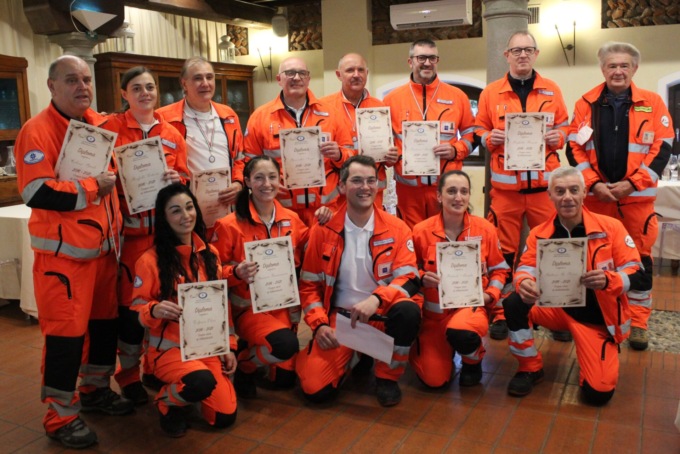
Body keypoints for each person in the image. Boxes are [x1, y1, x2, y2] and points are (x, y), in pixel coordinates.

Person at [15, 55, 132, 449]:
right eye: (71, 80)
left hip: (104, 255)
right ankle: (59, 416)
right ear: (52, 86)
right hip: (64, 262)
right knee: (65, 339)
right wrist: (92, 187)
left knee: (103, 330)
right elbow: (37, 192)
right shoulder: (36, 131)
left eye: (86, 79)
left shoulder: (101, 126)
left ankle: (95, 390)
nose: (82, 86)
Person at [503, 166, 646, 406]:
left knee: (597, 394)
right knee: (514, 302)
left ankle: (591, 357)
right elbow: (525, 267)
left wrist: (609, 280)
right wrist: (523, 281)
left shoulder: (611, 228)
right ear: (550, 196)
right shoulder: (539, 233)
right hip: (554, 309)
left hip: (594, 319)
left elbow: (640, 275)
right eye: (560, 191)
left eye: (573, 190)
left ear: (584, 193)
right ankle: (529, 366)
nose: (567, 197)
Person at [566, 42, 674, 351]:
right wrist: (593, 184)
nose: (618, 71)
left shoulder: (653, 103)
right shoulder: (585, 103)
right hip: (596, 201)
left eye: (624, 65)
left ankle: (638, 322)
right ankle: (590, 314)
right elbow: (573, 147)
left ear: (634, 69)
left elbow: (662, 148)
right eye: (612, 65)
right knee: (592, 258)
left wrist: (632, 184)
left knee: (638, 261)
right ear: (603, 69)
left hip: (636, 203)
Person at [296, 155, 422, 407]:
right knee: (315, 390)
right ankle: (355, 354)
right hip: (341, 320)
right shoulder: (323, 230)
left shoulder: (398, 228)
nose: (365, 187)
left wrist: (376, 299)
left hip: (383, 315)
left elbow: (409, 279)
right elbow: (309, 286)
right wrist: (319, 325)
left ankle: (387, 377)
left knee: (408, 312)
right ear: (342, 186)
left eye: (371, 181)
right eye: (356, 181)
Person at [475, 31, 570, 340]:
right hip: (506, 194)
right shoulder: (491, 93)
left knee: (550, 250)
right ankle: (502, 312)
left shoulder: (551, 89)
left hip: (544, 192)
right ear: (507, 55)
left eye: (528, 49)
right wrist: (488, 138)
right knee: (502, 254)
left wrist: (560, 136)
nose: (522, 55)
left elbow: (565, 125)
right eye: (516, 50)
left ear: (536, 53)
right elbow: (478, 128)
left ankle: (553, 314)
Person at [103, 66, 189, 405]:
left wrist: (177, 179)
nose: (145, 93)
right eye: (136, 88)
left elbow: (185, 179)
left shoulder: (172, 133)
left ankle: (156, 366)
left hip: (164, 239)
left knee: (164, 304)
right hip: (131, 240)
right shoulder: (110, 129)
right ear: (124, 93)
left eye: (150, 87)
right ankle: (127, 376)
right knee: (132, 312)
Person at [131, 183, 238, 437]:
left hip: (205, 348)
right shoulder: (149, 261)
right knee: (201, 381)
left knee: (223, 417)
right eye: (176, 211)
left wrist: (229, 346)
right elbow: (136, 309)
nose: (186, 215)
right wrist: (154, 310)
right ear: (164, 218)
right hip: (169, 352)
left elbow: (221, 307)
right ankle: (166, 402)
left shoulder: (210, 254)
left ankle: (190, 388)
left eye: (189, 207)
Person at [212, 156, 313, 398]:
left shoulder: (293, 219)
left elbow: (311, 248)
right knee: (285, 345)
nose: (266, 184)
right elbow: (212, 273)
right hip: (248, 310)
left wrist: (324, 220)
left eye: (272, 177)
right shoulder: (228, 225)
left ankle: (250, 350)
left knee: (284, 379)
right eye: (259, 178)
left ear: (280, 180)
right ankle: (245, 365)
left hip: (283, 308)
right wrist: (236, 273)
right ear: (247, 181)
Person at [409, 170, 510, 388]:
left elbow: (500, 270)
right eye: (451, 191)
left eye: (464, 191)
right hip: (434, 317)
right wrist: (422, 277)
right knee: (433, 381)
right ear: (439, 196)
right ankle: (432, 349)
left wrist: (490, 295)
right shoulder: (420, 231)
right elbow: (408, 270)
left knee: (462, 332)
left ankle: (472, 360)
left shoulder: (485, 230)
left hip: (470, 310)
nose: (458, 197)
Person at [243, 56, 354, 226]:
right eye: (290, 73)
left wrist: (339, 154)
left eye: (302, 73)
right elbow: (249, 164)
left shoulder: (332, 114)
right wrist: (267, 182)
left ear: (308, 79)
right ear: (279, 79)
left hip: (326, 211)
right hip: (280, 213)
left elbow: (351, 158)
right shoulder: (260, 117)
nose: (296, 78)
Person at [383, 38, 476, 229]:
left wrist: (455, 150)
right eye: (421, 58)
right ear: (410, 61)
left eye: (432, 58)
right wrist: (389, 156)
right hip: (408, 191)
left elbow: (471, 134)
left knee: (446, 237)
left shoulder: (457, 96)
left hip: (445, 188)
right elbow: (384, 142)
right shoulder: (392, 99)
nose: (427, 63)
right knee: (412, 239)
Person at [158, 56, 244, 209]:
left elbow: (240, 158)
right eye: (198, 78)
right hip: (187, 206)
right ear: (184, 83)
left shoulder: (229, 115)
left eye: (209, 77)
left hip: (226, 204)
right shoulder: (164, 118)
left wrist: (238, 183)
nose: (205, 83)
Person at [319, 53, 398, 209]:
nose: (356, 75)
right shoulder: (323, 107)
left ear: (367, 73)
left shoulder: (380, 107)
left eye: (360, 70)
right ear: (338, 75)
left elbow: (388, 155)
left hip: (371, 192)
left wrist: (391, 157)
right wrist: (338, 155)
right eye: (350, 70)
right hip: (338, 194)